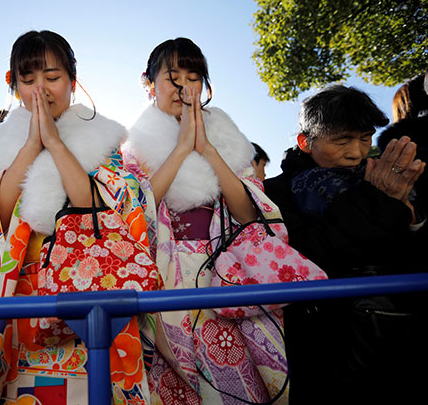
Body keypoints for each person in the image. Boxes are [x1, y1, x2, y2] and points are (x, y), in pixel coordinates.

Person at [0, 30, 158, 404]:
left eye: (52, 77)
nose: (41, 90)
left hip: (88, 293)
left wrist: (55, 143)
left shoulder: (105, 144)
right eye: (28, 79)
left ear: (72, 81)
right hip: (22, 309)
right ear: (14, 85)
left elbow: (105, 218)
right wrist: (31, 145)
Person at [123, 37, 325, 404]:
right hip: (165, 274)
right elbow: (135, 214)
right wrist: (181, 148)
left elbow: (250, 216)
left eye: (193, 77)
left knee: (236, 379)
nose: (185, 87)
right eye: (173, 77)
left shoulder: (228, 138)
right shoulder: (133, 147)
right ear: (149, 83)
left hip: (225, 272)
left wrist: (207, 149)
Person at [263, 84, 427, 404]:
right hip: (324, 346)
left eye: (365, 138)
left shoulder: (386, 178)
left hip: (401, 334)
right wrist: (377, 202)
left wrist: (413, 219)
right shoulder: (275, 193)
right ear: (306, 142)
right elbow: (305, 257)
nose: (357, 152)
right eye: (342, 140)